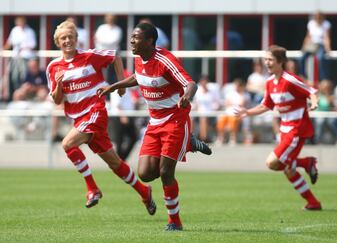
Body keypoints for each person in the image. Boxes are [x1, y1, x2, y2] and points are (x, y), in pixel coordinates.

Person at [97, 22, 212, 231]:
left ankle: (174, 222)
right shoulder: (140, 59)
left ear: (149, 41)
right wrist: (115, 86)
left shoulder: (165, 60)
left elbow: (191, 83)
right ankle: (188, 143)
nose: (131, 41)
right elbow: (138, 78)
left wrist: (186, 97)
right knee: (145, 173)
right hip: (154, 122)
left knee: (166, 172)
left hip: (175, 119)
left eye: (136, 37)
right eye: (131, 37)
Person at [46, 20, 156, 215]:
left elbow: (115, 57)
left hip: (96, 111)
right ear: (57, 42)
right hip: (79, 119)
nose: (67, 41)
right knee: (114, 163)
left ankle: (92, 189)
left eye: (70, 37)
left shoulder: (90, 56)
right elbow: (56, 100)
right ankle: (144, 191)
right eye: (63, 38)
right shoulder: (53, 68)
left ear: (76, 39)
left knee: (67, 144)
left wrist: (121, 84)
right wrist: (58, 85)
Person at [234, 45, 322, 210]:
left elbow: (311, 91)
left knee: (272, 163)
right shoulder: (269, 83)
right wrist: (247, 112)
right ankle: (313, 202)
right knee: (288, 170)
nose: (267, 63)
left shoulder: (289, 80)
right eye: (265, 59)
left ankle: (306, 163)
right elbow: (266, 105)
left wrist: (314, 103)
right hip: (285, 130)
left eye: (270, 60)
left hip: (297, 129)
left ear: (280, 62)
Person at [4, 16, 37, 100]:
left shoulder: (30, 31)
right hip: (15, 58)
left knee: (24, 77)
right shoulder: (15, 30)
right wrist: (2, 49)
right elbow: (9, 43)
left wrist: (23, 48)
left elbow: (33, 45)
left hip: (26, 58)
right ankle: (17, 96)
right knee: (14, 77)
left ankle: (24, 96)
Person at [216, 78, 252, 145]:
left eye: (238, 86)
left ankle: (233, 138)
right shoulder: (230, 93)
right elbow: (226, 103)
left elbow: (242, 104)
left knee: (233, 120)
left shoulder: (245, 95)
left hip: (238, 113)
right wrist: (235, 104)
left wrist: (233, 103)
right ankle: (221, 138)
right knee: (221, 120)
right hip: (228, 112)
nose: (236, 87)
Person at [300, 11, 331, 81]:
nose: (318, 19)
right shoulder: (311, 24)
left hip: (320, 45)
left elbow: (327, 37)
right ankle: (303, 76)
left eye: (320, 17)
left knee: (320, 58)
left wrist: (328, 48)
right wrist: (303, 47)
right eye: (317, 17)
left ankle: (323, 78)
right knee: (302, 58)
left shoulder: (326, 24)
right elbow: (308, 36)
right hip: (311, 45)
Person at [94, 14, 123, 84]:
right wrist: (106, 41)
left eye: (112, 18)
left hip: (114, 56)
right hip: (101, 55)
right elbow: (97, 39)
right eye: (109, 18)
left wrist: (102, 41)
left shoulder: (118, 29)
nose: (110, 19)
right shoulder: (101, 28)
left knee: (113, 77)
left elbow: (114, 41)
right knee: (102, 75)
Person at [192, 75, 221, 143]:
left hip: (211, 113)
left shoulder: (213, 91)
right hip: (199, 113)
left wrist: (214, 109)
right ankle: (192, 138)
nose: (203, 83)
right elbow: (196, 103)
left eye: (205, 81)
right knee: (191, 118)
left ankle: (203, 138)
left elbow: (218, 103)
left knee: (203, 118)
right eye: (202, 81)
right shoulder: (198, 91)